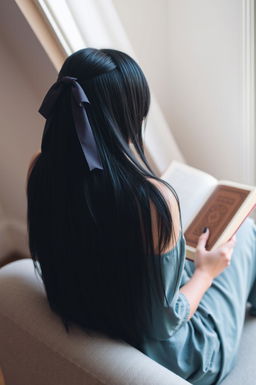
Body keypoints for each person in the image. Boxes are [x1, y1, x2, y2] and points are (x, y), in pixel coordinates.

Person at [26, 48, 256, 385]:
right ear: (127, 114)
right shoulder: (149, 199)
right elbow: (164, 322)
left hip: (99, 312)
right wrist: (206, 273)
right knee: (246, 231)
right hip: (176, 356)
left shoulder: (40, 169)